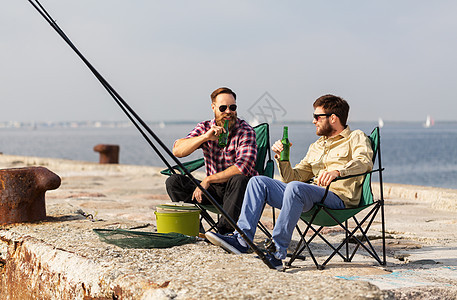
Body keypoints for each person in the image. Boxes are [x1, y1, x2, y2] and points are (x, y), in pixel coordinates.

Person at [206, 94, 374, 269]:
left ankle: (277, 252)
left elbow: (364, 162)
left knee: (294, 188)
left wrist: (338, 171)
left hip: (338, 200)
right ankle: (242, 240)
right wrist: (282, 158)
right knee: (258, 182)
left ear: (332, 118)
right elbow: (293, 178)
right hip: (310, 197)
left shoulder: (355, 137)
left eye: (317, 117)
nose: (313, 121)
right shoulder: (316, 146)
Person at [165, 87, 258, 234]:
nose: (228, 111)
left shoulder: (245, 131)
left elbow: (243, 167)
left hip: (238, 190)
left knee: (240, 179)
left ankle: (223, 232)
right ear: (213, 107)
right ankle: (195, 228)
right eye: (223, 108)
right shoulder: (205, 127)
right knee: (174, 181)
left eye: (232, 107)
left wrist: (207, 180)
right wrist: (205, 137)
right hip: (214, 190)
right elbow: (177, 150)